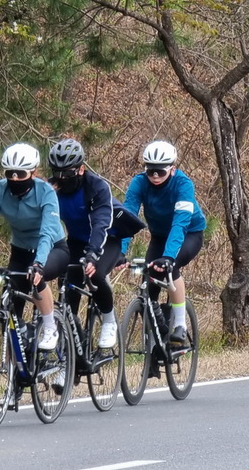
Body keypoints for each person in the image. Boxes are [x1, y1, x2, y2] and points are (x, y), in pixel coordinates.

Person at [0, 142, 69, 350]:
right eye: (10, 173)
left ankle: (50, 327)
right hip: (20, 252)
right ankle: (15, 364)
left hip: (52, 248)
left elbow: (46, 233)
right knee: (10, 318)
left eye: (21, 174)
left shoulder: (46, 192)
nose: (15, 179)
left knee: (36, 278)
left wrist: (38, 264)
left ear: (33, 172)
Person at [123, 140, 206, 348]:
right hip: (159, 236)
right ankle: (157, 338)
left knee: (171, 268)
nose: (155, 176)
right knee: (150, 285)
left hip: (189, 233)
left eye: (160, 171)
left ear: (172, 168)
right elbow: (127, 218)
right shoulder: (139, 183)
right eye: (150, 171)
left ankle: (180, 325)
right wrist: (120, 252)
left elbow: (180, 224)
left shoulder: (183, 184)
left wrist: (169, 257)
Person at [47, 138, 121, 349]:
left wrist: (93, 254)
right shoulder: (50, 189)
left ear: (80, 169)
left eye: (67, 173)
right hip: (76, 241)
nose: (61, 178)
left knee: (94, 274)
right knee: (67, 290)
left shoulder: (96, 187)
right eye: (57, 172)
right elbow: (44, 223)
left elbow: (101, 223)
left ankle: (109, 320)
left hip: (106, 240)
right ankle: (73, 350)